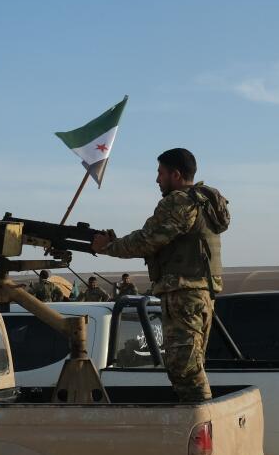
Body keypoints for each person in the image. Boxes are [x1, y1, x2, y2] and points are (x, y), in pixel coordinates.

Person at [92, 148, 226, 403]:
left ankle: (202, 423)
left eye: (160, 173)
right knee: (191, 365)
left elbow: (147, 240)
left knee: (184, 369)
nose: (157, 180)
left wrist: (108, 247)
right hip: (200, 294)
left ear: (175, 175)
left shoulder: (179, 201)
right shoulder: (206, 201)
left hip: (183, 295)